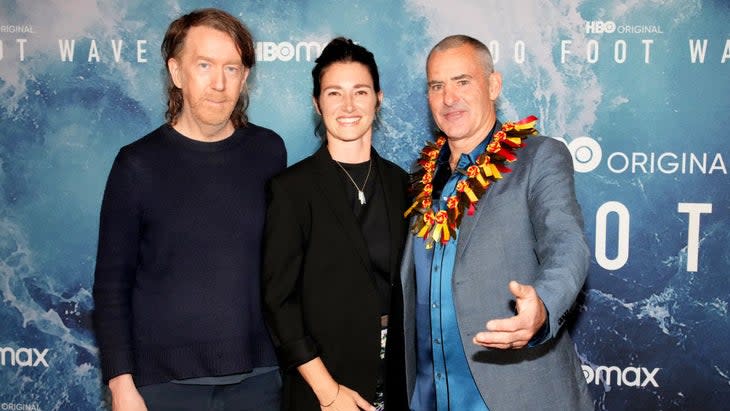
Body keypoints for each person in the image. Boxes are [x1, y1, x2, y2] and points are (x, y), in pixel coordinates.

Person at [92, 8, 286, 411]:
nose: (219, 83)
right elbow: (111, 287)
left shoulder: (269, 151)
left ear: (245, 76)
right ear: (177, 72)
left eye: (232, 68)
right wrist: (122, 387)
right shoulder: (136, 164)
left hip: (260, 382)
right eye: (204, 65)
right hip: (162, 388)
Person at [400, 35, 594, 410]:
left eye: (462, 81)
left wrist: (543, 305)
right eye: (436, 86)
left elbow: (567, 244)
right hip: (429, 398)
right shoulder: (422, 176)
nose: (449, 98)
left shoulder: (538, 157)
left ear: (493, 84)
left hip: (514, 395)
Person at [262, 37, 408, 411]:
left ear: (379, 97)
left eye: (360, 91)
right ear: (317, 103)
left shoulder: (402, 184)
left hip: (398, 385)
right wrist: (329, 393)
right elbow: (279, 302)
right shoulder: (292, 189)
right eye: (333, 93)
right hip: (324, 390)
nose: (348, 106)